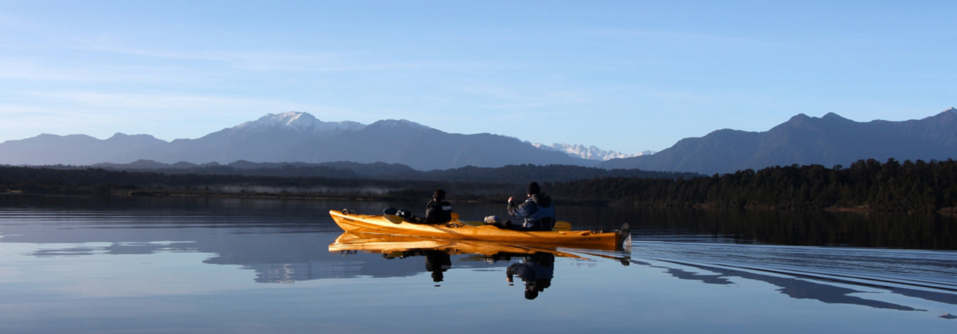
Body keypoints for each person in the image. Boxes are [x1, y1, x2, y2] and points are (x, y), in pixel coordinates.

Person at [389, 189, 453, 224]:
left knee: (412, 217)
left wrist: (412, 217)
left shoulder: (434, 206)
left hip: (434, 225)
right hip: (444, 223)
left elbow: (426, 221)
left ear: (435, 198)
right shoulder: (448, 205)